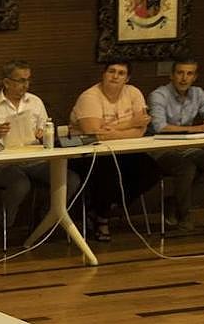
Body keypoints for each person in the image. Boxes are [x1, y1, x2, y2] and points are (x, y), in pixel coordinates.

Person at [0, 60, 81, 243]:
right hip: (1, 162)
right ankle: (2, 225)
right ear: (6, 82)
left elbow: (46, 130)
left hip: (34, 160)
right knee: (20, 184)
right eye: (20, 81)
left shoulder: (35, 102)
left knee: (71, 179)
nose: (25, 85)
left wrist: (44, 135)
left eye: (28, 80)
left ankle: (44, 220)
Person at [69, 59, 161, 242]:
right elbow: (93, 133)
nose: (115, 76)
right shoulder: (90, 97)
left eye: (121, 73)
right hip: (88, 154)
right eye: (111, 71)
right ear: (103, 74)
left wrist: (116, 131)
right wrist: (130, 124)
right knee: (108, 172)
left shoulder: (134, 93)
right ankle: (102, 219)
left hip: (124, 151)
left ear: (127, 78)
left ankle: (105, 207)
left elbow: (141, 129)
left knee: (151, 171)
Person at [147, 57, 204, 230]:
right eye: (180, 73)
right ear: (171, 75)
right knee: (186, 168)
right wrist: (198, 129)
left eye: (189, 74)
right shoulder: (159, 95)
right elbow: (159, 126)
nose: (184, 78)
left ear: (194, 77)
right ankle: (184, 215)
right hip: (161, 149)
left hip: (188, 147)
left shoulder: (198, 93)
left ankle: (175, 203)